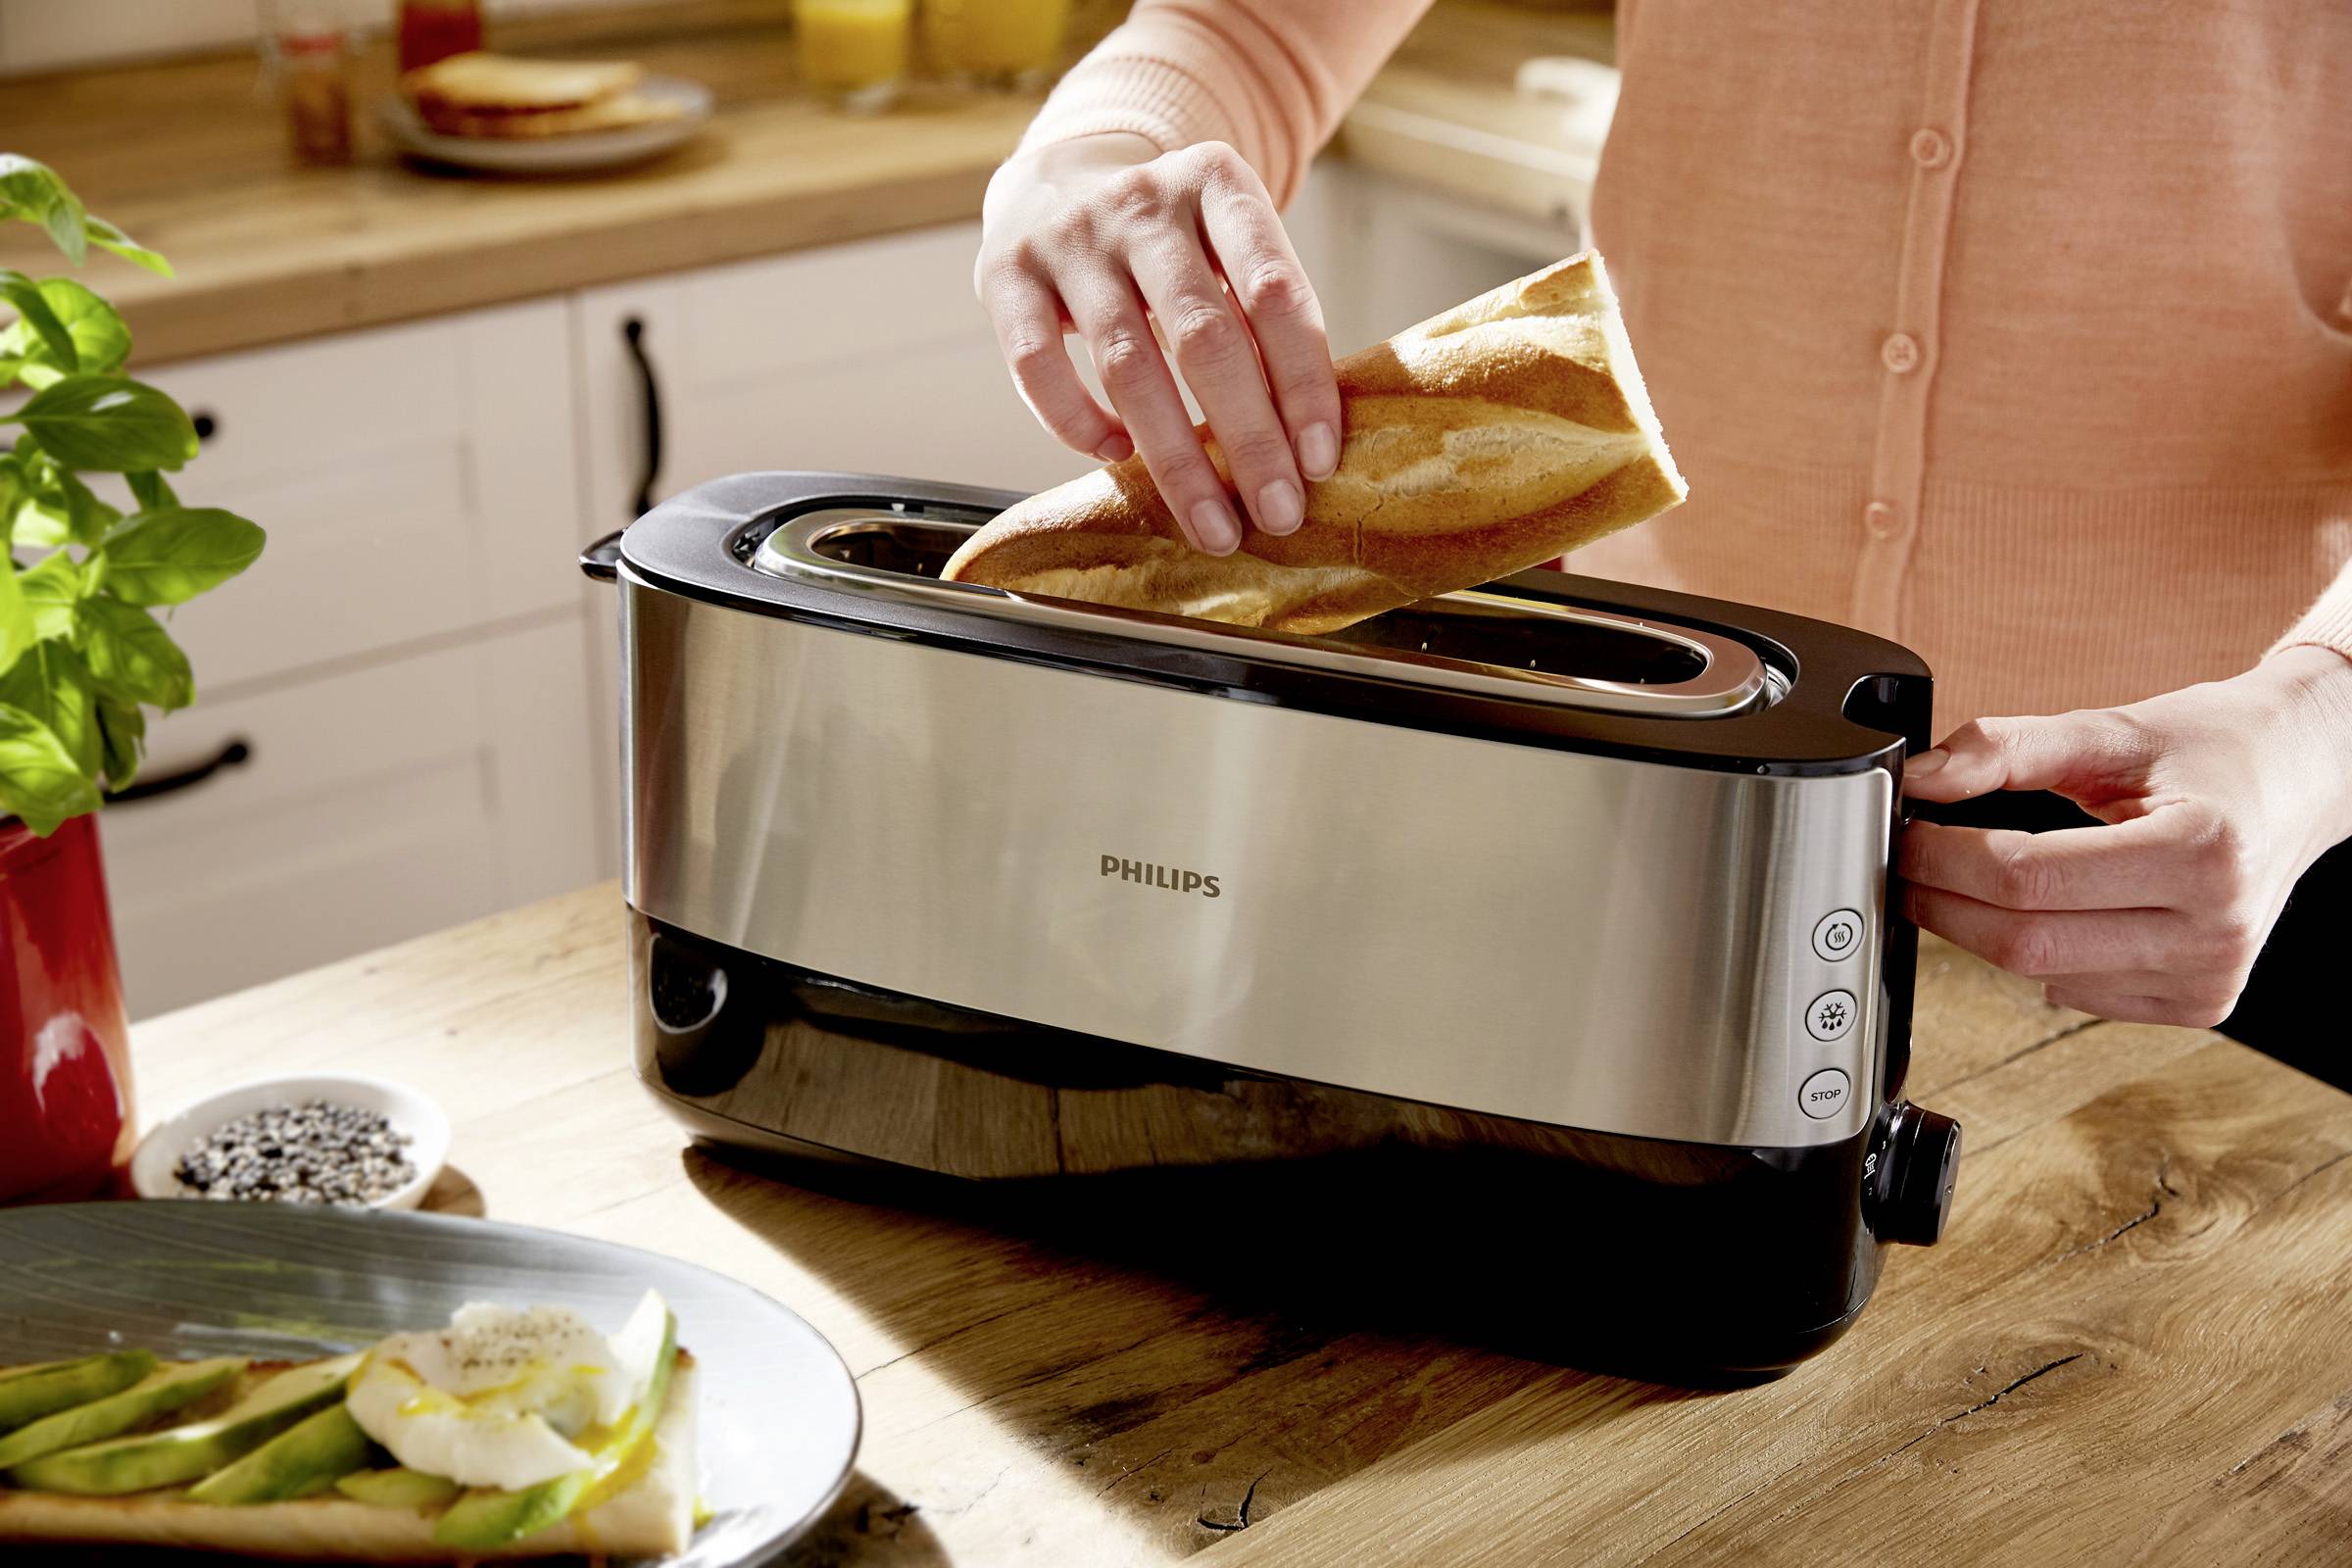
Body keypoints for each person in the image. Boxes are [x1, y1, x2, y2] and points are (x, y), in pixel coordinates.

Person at [971, 2, 2352, 1083]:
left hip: (2209, 824)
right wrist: (1092, 156)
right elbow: (1246, 28)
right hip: (1649, 747)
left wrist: (2309, 726)